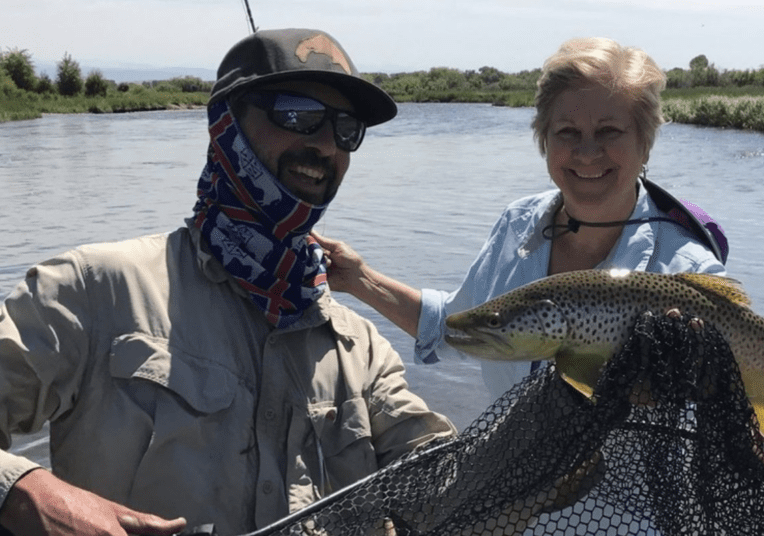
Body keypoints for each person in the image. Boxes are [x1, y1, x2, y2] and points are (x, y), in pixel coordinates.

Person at [0, 29, 456, 536]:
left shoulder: (362, 349)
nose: (326, 144)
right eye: (297, 114)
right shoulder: (92, 288)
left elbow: (439, 473)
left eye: (346, 129)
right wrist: (29, 495)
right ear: (226, 126)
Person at [317, 37, 727, 404]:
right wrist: (359, 280)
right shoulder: (517, 226)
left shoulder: (689, 271)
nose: (587, 152)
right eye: (567, 131)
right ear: (543, 140)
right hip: (518, 486)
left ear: (645, 142)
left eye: (609, 131)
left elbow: (740, 412)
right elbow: (460, 326)